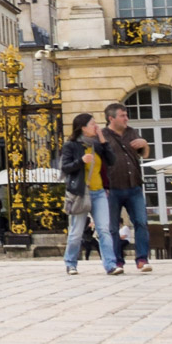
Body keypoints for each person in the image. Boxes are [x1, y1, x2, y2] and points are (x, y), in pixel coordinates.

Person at [99, 102, 154, 273]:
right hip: (112, 188)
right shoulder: (102, 135)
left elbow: (144, 155)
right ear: (111, 118)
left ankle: (142, 259)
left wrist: (145, 144)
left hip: (134, 186)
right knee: (113, 227)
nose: (126, 118)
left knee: (141, 222)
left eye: (126, 115)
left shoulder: (131, 132)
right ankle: (117, 261)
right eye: (122, 115)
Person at [59, 113, 116, 276]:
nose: (96, 126)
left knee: (104, 229)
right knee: (76, 232)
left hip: (98, 193)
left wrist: (102, 139)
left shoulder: (97, 145)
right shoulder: (71, 146)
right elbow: (66, 168)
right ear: (83, 128)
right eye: (92, 124)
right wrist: (81, 161)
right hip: (80, 193)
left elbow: (111, 160)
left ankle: (110, 265)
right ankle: (70, 263)